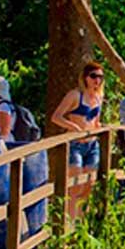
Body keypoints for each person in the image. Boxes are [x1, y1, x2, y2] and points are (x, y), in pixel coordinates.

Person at [50, 63, 106, 218]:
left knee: (89, 185)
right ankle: (70, 222)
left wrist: (100, 127)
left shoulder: (99, 97)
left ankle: (81, 221)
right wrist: (73, 126)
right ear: (85, 77)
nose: (97, 80)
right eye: (93, 76)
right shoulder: (75, 95)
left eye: (100, 77)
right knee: (75, 185)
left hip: (92, 144)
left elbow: (96, 121)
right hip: (76, 145)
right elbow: (56, 117)